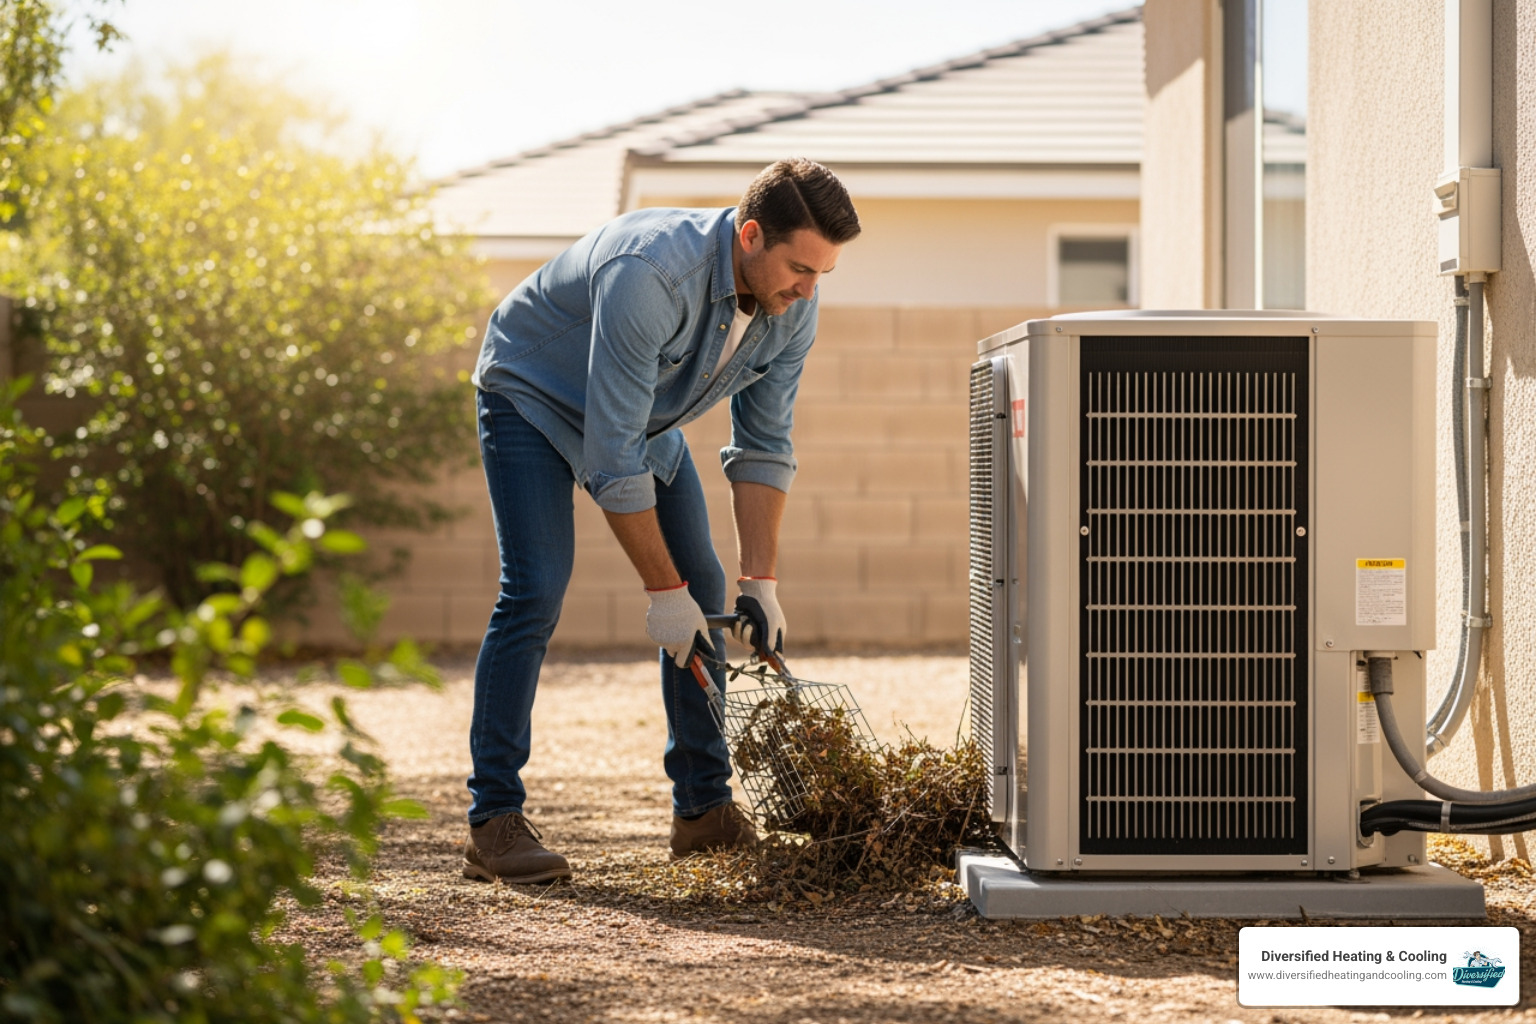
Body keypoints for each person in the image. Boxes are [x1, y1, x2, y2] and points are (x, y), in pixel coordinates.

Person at [462, 158, 861, 884]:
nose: (808, 289)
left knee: (707, 588)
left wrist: (760, 581)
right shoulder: (650, 273)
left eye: (821, 274)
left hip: (637, 418)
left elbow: (764, 444)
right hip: (534, 396)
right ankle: (492, 821)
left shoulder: (790, 308)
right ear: (749, 235)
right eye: (800, 268)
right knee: (536, 589)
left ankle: (703, 812)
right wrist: (659, 592)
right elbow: (613, 459)